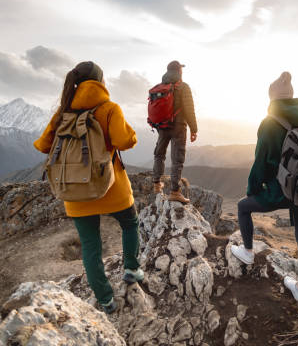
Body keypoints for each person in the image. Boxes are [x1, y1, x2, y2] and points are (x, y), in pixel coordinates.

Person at [33, 61, 143, 314]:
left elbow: (42, 145)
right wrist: (130, 133)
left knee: (91, 245)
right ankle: (132, 269)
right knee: (129, 223)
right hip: (110, 188)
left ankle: (105, 299)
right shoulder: (109, 108)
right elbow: (125, 140)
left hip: (75, 192)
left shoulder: (63, 112)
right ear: (100, 82)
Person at [230, 71, 298, 303]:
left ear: (272, 99)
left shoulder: (270, 123)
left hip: (281, 191)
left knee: (243, 207)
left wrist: (253, 190)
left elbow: (261, 162)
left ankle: (247, 252)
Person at [152, 60, 198, 203]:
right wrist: (194, 129)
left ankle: (156, 184)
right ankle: (175, 191)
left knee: (159, 154)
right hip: (178, 127)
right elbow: (189, 109)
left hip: (162, 126)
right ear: (179, 71)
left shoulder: (159, 87)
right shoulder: (183, 87)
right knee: (177, 158)